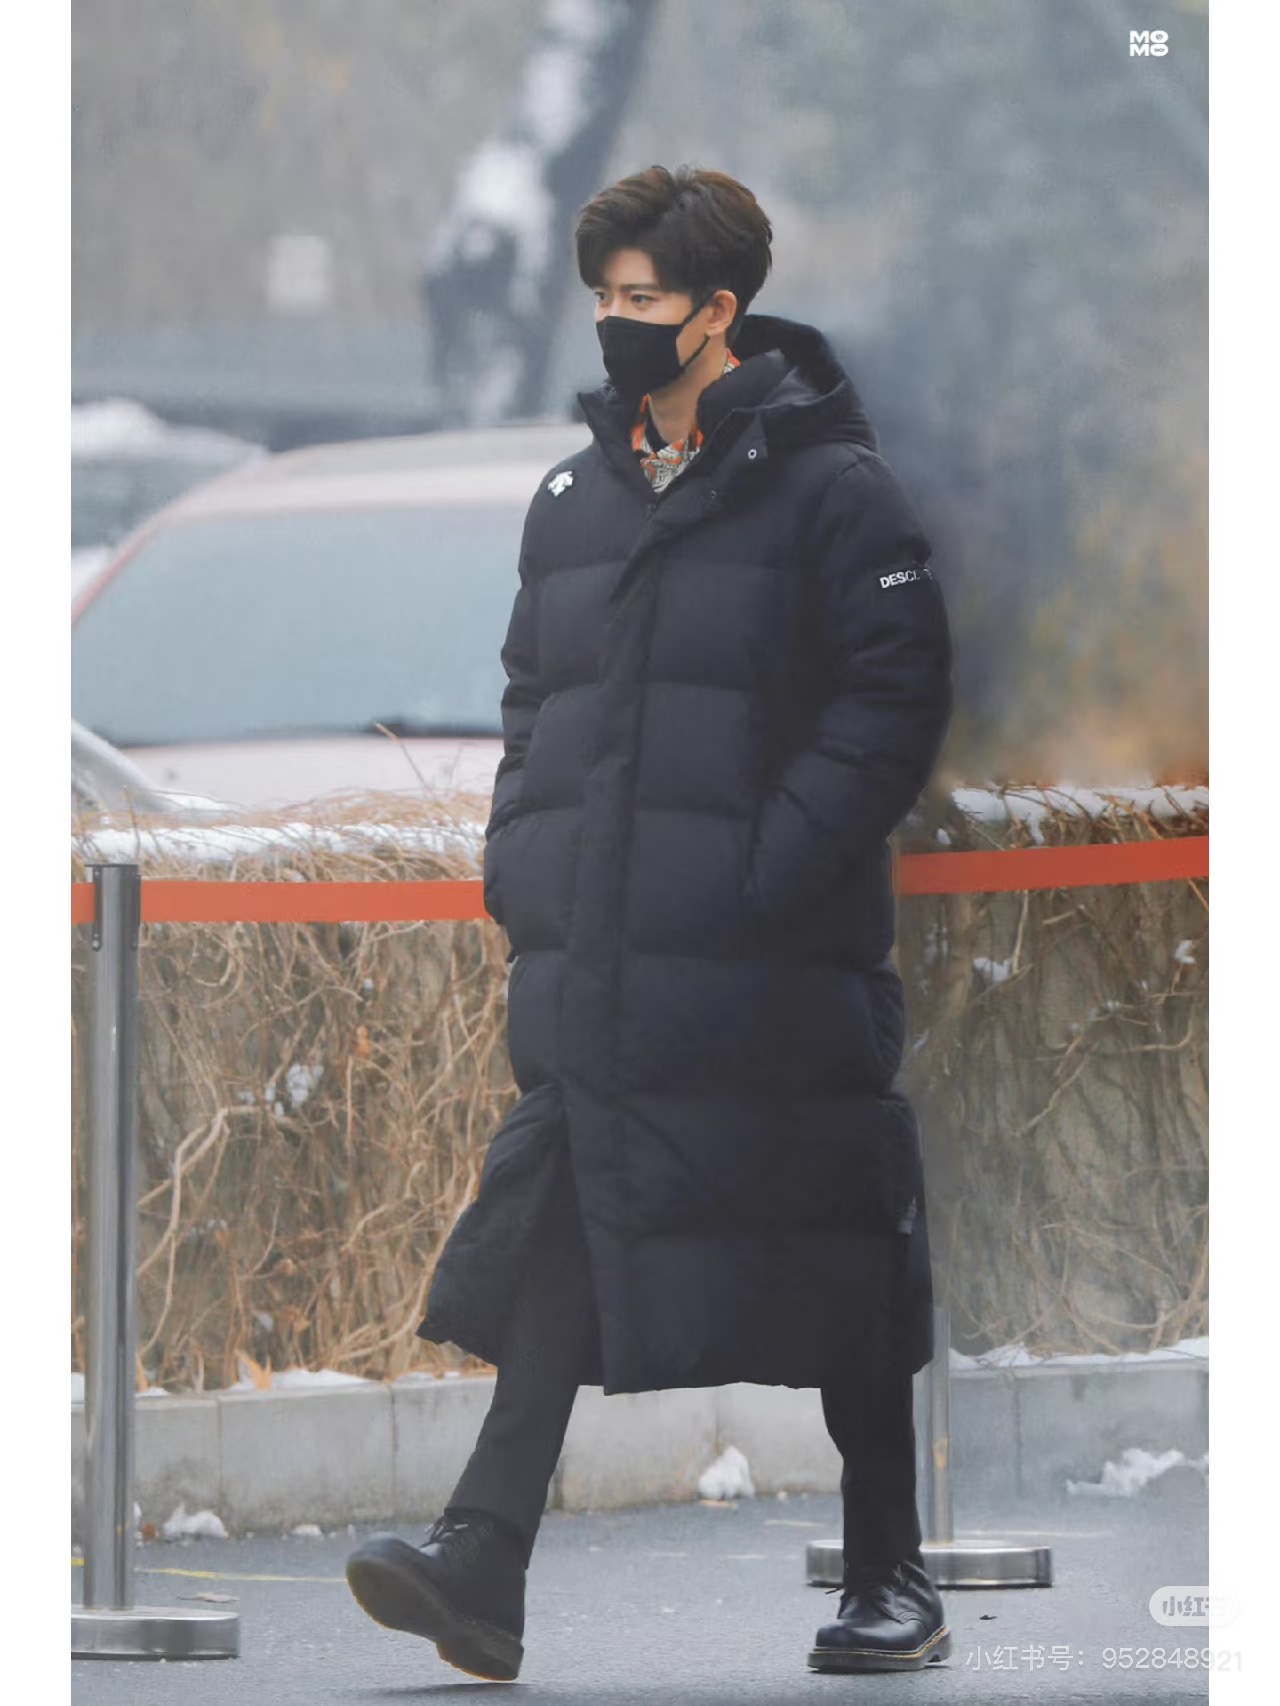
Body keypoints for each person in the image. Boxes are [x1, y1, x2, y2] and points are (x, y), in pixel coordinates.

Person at [346, 163, 955, 1681]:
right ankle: (483, 1560)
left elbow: (894, 699)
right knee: (570, 1213)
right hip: (605, 962)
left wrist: (766, 867)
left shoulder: (833, 489)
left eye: (643, 298)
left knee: (833, 1244)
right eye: (603, 297)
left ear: (718, 311)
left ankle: (893, 1572)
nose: (615, 322)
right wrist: (521, 857)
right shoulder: (576, 498)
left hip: (775, 966)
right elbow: (532, 696)